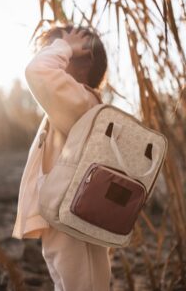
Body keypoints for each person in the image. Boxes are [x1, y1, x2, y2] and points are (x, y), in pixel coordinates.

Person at [11, 24, 112, 291]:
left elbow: (37, 71)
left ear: (81, 62)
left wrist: (64, 46)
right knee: (76, 281)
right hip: (68, 210)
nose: (53, 55)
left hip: (69, 212)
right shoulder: (76, 103)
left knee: (79, 284)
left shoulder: (79, 102)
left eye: (59, 52)